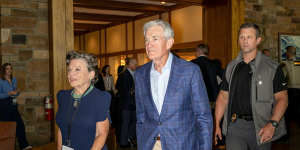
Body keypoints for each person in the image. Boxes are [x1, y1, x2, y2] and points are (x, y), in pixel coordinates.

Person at [135, 19, 213, 150]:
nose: (149, 45)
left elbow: (203, 117)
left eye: (154, 39)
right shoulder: (140, 74)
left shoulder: (190, 71)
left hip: (182, 144)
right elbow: (141, 116)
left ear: (169, 42)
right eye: (146, 40)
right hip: (150, 144)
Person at [214, 23, 288, 150]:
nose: (245, 41)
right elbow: (223, 96)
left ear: (258, 40)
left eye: (249, 37)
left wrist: (272, 124)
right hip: (235, 126)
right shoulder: (231, 67)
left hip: (261, 127)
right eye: (242, 37)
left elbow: (282, 99)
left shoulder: (272, 68)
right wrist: (217, 124)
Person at [55, 51, 111, 150]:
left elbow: (101, 134)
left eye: (77, 69)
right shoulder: (63, 96)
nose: (71, 74)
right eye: (69, 70)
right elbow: (61, 129)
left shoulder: (100, 98)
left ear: (91, 74)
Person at [0, 63, 32, 150]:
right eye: (7, 69)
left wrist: (17, 92)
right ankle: (6, 147)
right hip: (4, 106)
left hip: (13, 104)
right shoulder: (0, 81)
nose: (9, 70)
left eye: (10, 68)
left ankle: (24, 145)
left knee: (20, 125)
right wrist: (8, 94)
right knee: (6, 128)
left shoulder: (14, 79)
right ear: (4, 70)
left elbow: (15, 93)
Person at [117, 58, 137, 148]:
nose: (136, 65)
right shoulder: (124, 74)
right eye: (135, 63)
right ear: (129, 64)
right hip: (126, 103)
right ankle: (123, 142)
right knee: (125, 123)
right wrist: (132, 91)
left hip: (132, 103)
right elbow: (125, 90)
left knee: (134, 121)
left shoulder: (134, 73)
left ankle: (129, 138)